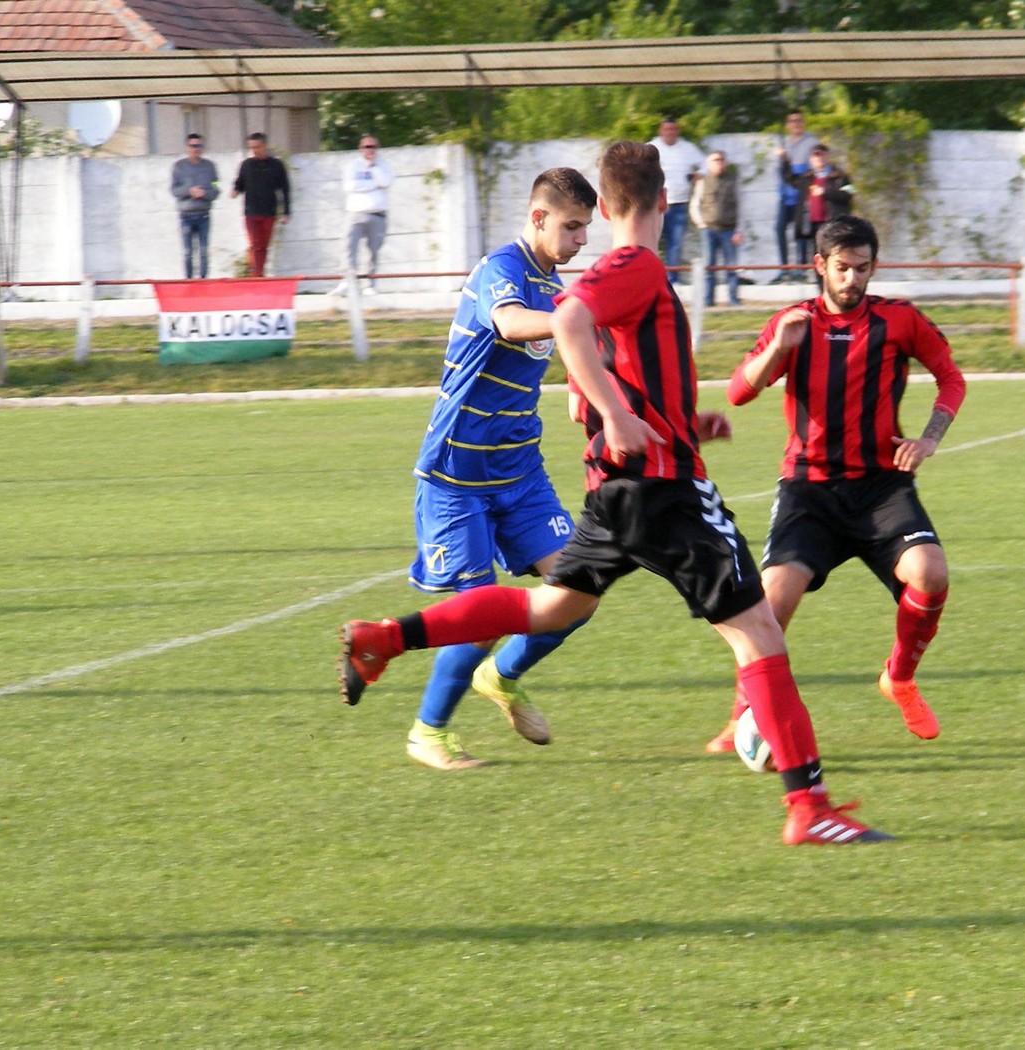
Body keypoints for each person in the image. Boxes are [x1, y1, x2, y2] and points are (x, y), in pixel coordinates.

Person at [339, 140, 892, 846]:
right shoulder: (635, 265)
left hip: (616, 489)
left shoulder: (607, 275)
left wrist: (672, 419)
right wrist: (622, 416)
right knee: (757, 630)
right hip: (662, 491)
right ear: (665, 201)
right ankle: (808, 808)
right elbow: (572, 329)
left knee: (552, 607)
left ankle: (383, 638)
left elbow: (591, 379)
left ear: (601, 207)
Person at [353, 168, 598, 772]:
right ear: (538, 217)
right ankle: (428, 732)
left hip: (520, 472)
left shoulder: (554, 286)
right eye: (572, 226)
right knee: (482, 616)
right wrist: (574, 320)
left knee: (580, 594)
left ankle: (501, 677)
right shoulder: (501, 270)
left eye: (586, 229)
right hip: (457, 476)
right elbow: (510, 323)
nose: (581, 240)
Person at [704, 214, 966, 754]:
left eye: (862, 268)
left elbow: (951, 378)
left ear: (874, 266)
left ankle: (899, 677)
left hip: (880, 486)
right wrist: (778, 349)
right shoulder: (793, 323)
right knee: (771, 604)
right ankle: (741, 716)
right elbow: (737, 393)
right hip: (809, 490)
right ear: (820, 265)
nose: (852, 279)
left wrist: (928, 439)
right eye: (842, 268)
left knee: (931, 573)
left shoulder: (898, 319)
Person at [335, 135, 394, 296]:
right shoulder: (353, 166)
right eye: (367, 147)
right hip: (356, 213)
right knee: (348, 247)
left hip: (377, 214)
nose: (370, 150)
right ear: (361, 149)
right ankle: (347, 281)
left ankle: (370, 284)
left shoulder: (384, 165)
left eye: (373, 147)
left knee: (373, 251)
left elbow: (385, 182)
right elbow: (350, 186)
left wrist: (373, 167)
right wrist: (374, 185)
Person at [647, 117, 706, 281]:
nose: (670, 133)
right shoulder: (651, 148)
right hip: (656, 205)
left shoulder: (687, 148)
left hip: (679, 204)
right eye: (667, 129)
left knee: (675, 244)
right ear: (661, 131)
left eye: (673, 129)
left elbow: (706, 164)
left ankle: (673, 280)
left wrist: (698, 174)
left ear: (677, 131)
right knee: (651, 243)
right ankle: (651, 278)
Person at [783, 144, 854, 274]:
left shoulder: (840, 177)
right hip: (812, 225)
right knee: (818, 259)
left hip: (831, 224)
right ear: (811, 159)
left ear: (828, 157)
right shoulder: (807, 178)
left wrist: (825, 192)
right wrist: (784, 160)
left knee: (833, 257)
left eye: (822, 156)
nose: (819, 159)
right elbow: (790, 178)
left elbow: (848, 195)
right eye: (815, 156)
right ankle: (820, 284)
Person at [230, 132, 291, 278]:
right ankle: (256, 275)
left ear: (265, 146)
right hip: (251, 213)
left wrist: (286, 212)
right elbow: (240, 183)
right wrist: (235, 190)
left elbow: (285, 189)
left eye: (257, 147)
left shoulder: (276, 165)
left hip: (269, 212)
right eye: (252, 147)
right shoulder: (247, 165)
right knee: (255, 244)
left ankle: (259, 273)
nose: (255, 150)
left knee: (264, 246)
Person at [689, 150, 743, 307]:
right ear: (709, 164)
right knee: (709, 267)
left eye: (721, 159)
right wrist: (701, 223)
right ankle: (708, 301)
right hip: (709, 230)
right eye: (715, 160)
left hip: (729, 230)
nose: (719, 162)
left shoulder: (733, 181)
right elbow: (695, 205)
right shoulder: (702, 182)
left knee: (732, 267)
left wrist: (739, 230)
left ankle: (733, 300)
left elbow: (741, 206)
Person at [773, 110, 819, 282]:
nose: (796, 124)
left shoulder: (811, 142)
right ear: (788, 125)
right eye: (792, 121)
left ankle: (801, 268)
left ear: (803, 123)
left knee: (801, 231)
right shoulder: (784, 144)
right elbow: (782, 171)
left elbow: (812, 169)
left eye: (799, 120)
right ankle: (784, 268)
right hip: (785, 195)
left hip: (801, 194)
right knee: (779, 229)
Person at [169, 133, 220, 280]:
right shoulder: (178, 167)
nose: (196, 149)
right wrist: (189, 191)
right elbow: (174, 190)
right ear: (187, 147)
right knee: (187, 252)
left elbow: (216, 187)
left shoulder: (210, 167)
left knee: (203, 250)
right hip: (186, 216)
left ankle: (203, 279)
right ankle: (189, 280)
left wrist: (205, 193)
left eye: (199, 145)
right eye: (193, 146)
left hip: (204, 215)